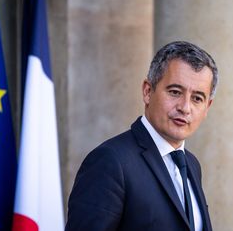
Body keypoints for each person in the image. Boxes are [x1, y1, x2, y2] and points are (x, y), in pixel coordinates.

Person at [65, 41, 218, 231]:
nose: (185, 107)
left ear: (207, 107)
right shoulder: (110, 162)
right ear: (147, 91)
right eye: (175, 92)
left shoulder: (192, 165)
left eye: (197, 98)